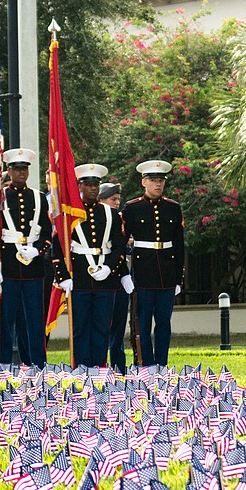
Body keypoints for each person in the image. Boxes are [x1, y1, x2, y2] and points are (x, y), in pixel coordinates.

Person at [52, 164, 127, 367]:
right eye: (88, 185)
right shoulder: (70, 215)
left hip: (105, 278)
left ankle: (99, 366)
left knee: (102, 325)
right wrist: (63, 277)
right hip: (79, 278)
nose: (93, 188)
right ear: (80, 187)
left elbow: (119, 247)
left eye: (95, 184)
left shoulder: (110, 214)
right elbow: (58, 248)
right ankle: (82, 366)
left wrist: (110, 268)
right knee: (80, 326)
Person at [0, 149, 51, 367]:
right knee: (6, 319)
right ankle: (4, 363)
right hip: (8, 266)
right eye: (17, 169)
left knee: (35, 319)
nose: (21, 173)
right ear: (9, 171)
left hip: (33, 266)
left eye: (24, 168)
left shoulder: (39, 197)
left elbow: (47, 232)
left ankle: (37, 363)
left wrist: (38, 250)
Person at [121, 160, 184, 367]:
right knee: (144, 322)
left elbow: (179, 245)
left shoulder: (173, 208)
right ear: (143, 182)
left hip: (166, 272)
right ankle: (147, 364)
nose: (158, 185)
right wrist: (125, 273)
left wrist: (178, 278)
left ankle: (162, 364)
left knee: (164, 323)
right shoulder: (132, 208)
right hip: (143, 271)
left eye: (161, 181)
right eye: (153, 180)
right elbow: (122, 242)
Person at [99, 182, 134, 373]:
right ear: (101, 200)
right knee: (101, 326)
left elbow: (121, 249)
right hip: (101, 279)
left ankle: (119, 366)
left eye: (118, 199)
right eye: (113, 199)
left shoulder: (119, 219)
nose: (117, 202)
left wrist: (124, 274)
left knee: (118, 326)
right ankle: (101, 365)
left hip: (120, 280)